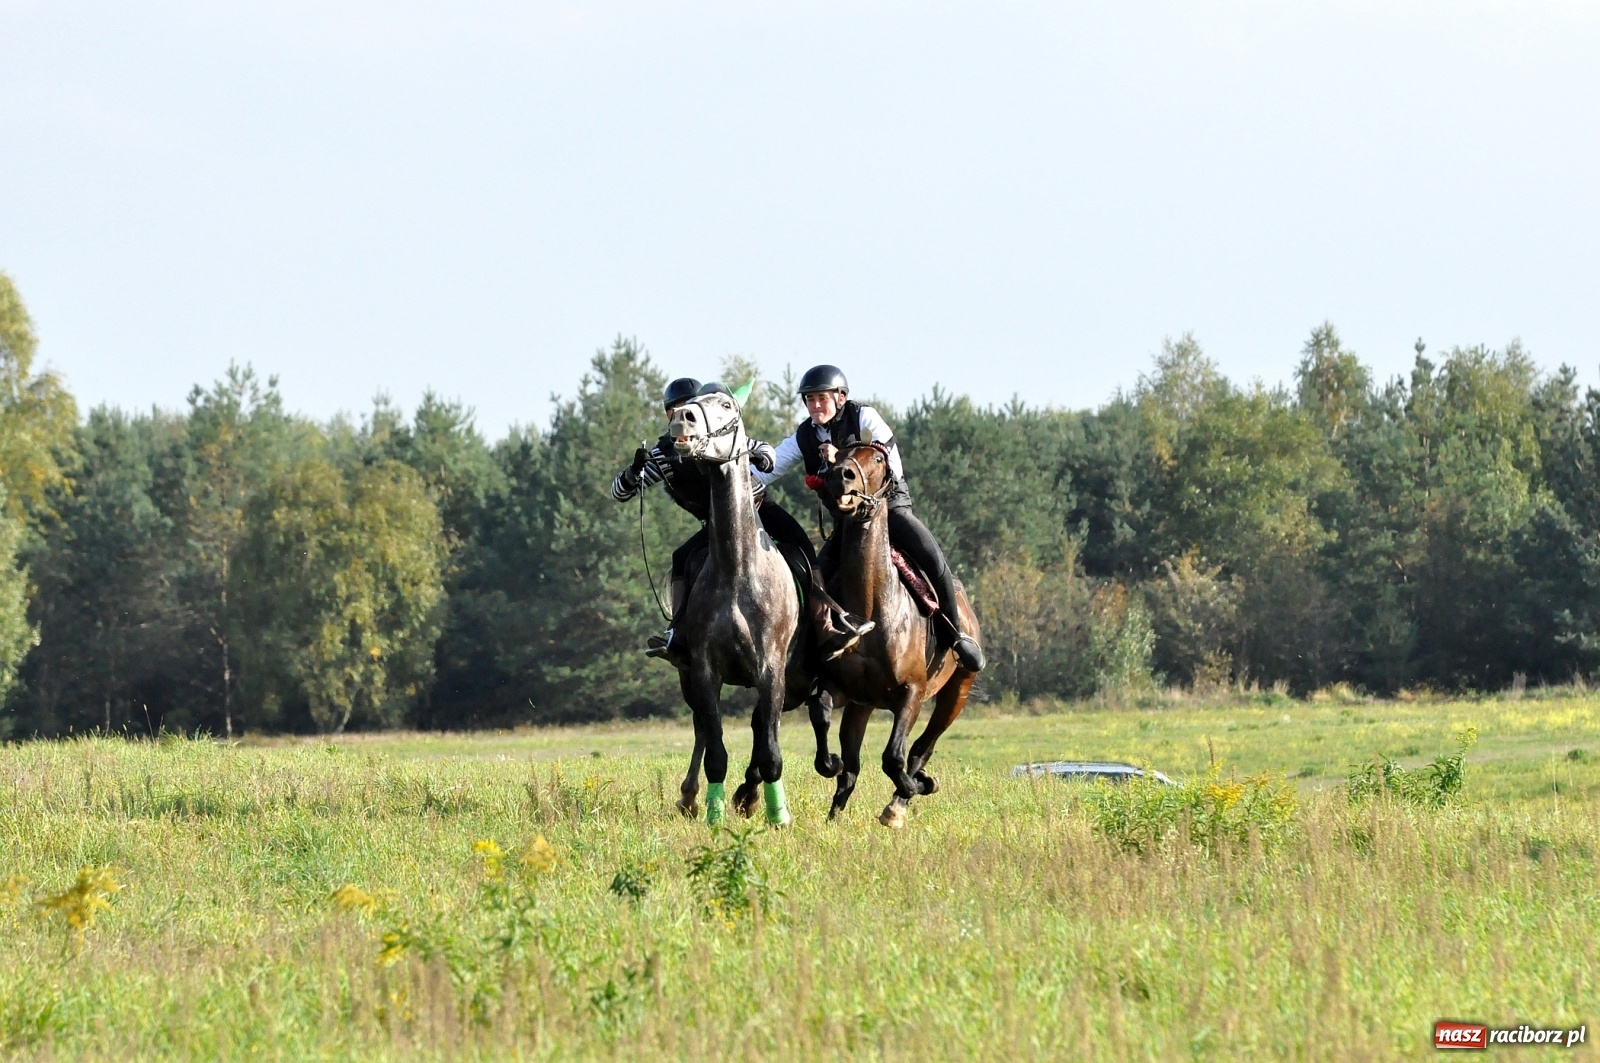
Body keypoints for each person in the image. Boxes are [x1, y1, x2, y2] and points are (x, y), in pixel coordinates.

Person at [611, 378, 872, 665]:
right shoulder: (663, 454)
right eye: (676, 410)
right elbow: (620, 493)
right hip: (717, 526)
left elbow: (767, 452)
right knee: (681, 558)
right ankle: (678, 632)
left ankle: (826, 626)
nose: (683, 416)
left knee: (801, 547)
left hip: (759, 509)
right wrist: (634, 471)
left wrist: (760, 457)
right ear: (667, 415)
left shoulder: (721, 436)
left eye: (690, 408)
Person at [754, 364, 986, 672]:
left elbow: (890, 463)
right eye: (810, 399)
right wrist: (733, 475)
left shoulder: (863, 416)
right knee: (815, 579)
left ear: (840, 397)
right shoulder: (804, 436)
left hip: (889, 509)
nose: (815, 405)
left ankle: (955, 635)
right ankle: (815, 657)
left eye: (822, 398)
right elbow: (767, 470)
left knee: (933, 560)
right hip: (848, 524)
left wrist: (842, 457)